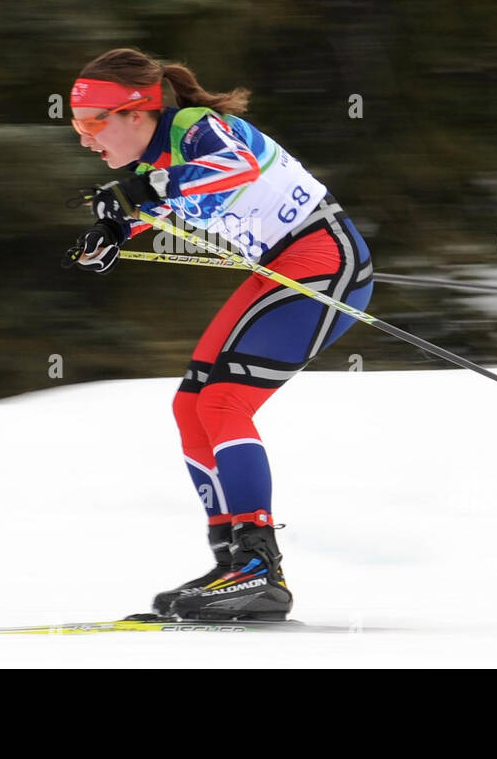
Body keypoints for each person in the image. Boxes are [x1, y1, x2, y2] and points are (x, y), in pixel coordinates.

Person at [64, 47, 374, 621]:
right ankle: (232, 561)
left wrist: (136, 196)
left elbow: (235, 169)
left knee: (226, 401)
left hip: (322, 261)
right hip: (280, 267)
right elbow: (160, 198)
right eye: (77, 126)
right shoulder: (151, 162)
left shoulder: (195, 128)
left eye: (91, 124)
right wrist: (113, 230)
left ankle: (261, 567)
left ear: (136, 113)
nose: (84, 139)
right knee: (191, 406)